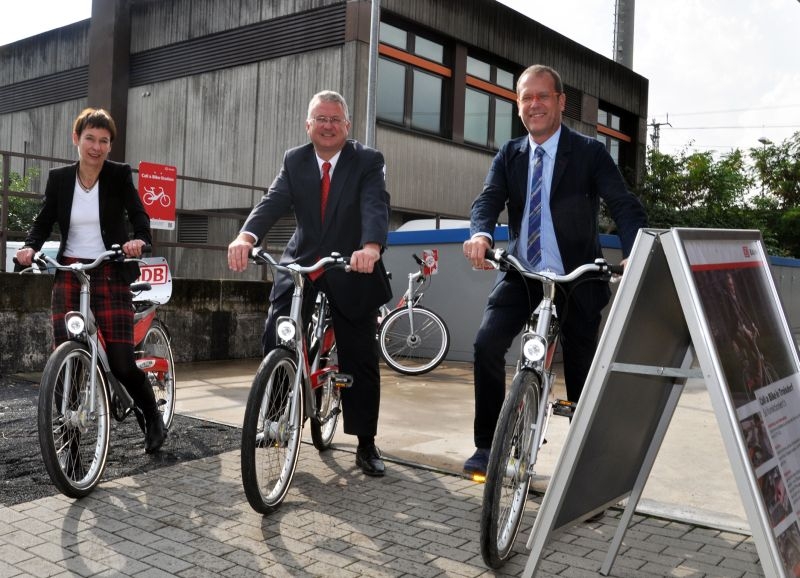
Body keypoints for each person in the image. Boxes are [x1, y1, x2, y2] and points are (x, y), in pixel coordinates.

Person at [462, 64, 647, 476]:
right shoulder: (510, 154)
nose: (534, 104)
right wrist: (481, 234)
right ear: (518, 106)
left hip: (576, 276)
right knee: (486, 345)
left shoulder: (589, 152)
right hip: (523, 272)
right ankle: (487, 445)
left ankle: (586, 461)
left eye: (543, 96)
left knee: (581, 368)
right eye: (526, 98)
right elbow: (488, 200)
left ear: (561, 102)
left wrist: (635, 250)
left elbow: (623, 204)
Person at [227, 90, 392, 477]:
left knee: (359, 353)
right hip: (302, 261)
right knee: (278, 332)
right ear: (308, 125)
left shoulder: (367, 160)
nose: (328, 126)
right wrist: (246, 237)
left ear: (346, 125)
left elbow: (375, 203)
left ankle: (365, 442)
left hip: (351, 264)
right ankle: (275, 420)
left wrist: (370, 247)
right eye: (321, 119)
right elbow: (272, 201)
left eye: (335, 119)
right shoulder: (295, 159)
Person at [15, 107, 166, 454]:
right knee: (67, 359)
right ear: (76, 139)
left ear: (110, 145)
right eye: (90, 139)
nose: (96, 147)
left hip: (109, 268)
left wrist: (139, 239)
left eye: (104, 141)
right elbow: (43, 221)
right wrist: (29, 247)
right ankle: (68, 441)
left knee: (122, 362)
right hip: (70, 271)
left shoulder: (118, 175)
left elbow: (138, 213)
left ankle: (152, 416)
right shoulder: (60, 179)